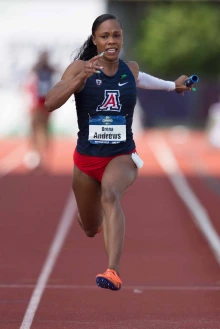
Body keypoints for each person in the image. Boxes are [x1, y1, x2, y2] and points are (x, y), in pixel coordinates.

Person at [45, 14, 192, 291]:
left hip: (121, 156)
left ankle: (113, 271)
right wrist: (79, 80)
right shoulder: (79, 67)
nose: (111, 41)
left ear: (121, 38)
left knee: (110, 195)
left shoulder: (130, 70)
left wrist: (176, 85)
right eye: (105, 36)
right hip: (86, 160)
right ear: (95, 40)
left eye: (116, 35)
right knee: (89, 228)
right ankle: (93, 218)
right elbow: (51, 103)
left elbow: (150, 81)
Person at [23, 50, 56, 171]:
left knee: (44, 129)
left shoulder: (50, 69)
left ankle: (42, 156)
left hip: (46, 102)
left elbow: (57, 73)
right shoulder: (36, 68)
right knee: (34, 128)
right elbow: (30, 79)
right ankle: (34, 155)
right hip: (37, 102)